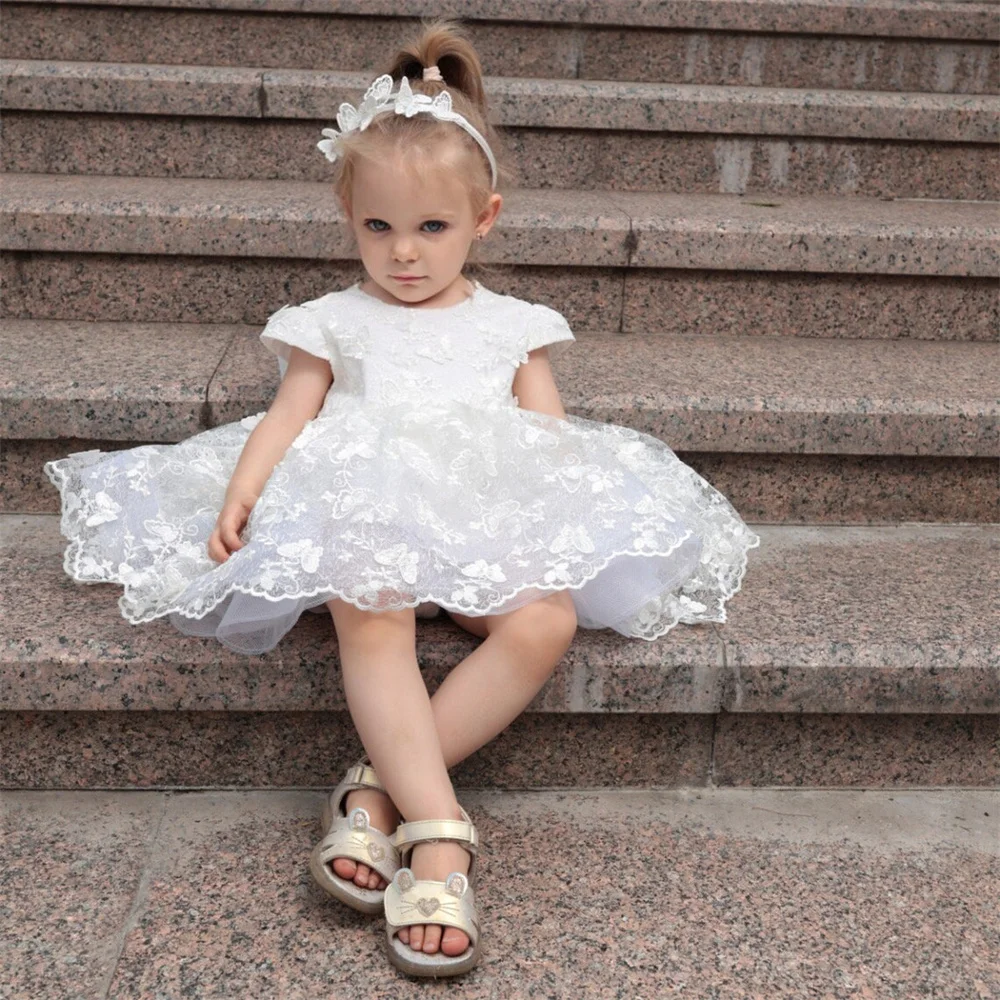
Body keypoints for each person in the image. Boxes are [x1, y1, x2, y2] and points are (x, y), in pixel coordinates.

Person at [43, 18, 760, 979]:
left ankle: (374, 796)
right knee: (367, 602)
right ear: (351, 221)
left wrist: (548, 530)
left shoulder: (516, 326)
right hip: (365, 507)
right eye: (378, 228)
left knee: (544, 619)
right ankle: (441, 838)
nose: (404, 254)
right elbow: (289, 414)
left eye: (432, 229)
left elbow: (547, 441)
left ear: (484, 220)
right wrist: (244, 491)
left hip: (475, 514)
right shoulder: (334, 321)